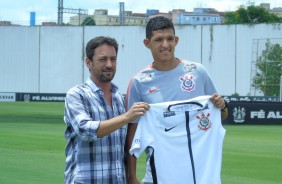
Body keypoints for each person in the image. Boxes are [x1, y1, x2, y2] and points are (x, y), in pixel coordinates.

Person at [125, 16, 228, 184]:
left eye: (170, 39)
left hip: (198, 169)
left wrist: (222, 106)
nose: (165, 45)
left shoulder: (197, 72)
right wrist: (131, 177)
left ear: (176, 40)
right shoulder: (139, 82)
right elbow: (133, 132)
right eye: (158, 40)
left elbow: (220, 115)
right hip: (159, 170)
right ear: (147, 43)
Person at [64, 36, 149, 184]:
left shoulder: (120, 99)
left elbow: (127, 146)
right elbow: (85, 130)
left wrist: (131, 177)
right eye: (103, 59)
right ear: (88, 63)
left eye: (113, 59)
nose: (109, 64)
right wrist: (127, 117)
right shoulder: (77, 95)